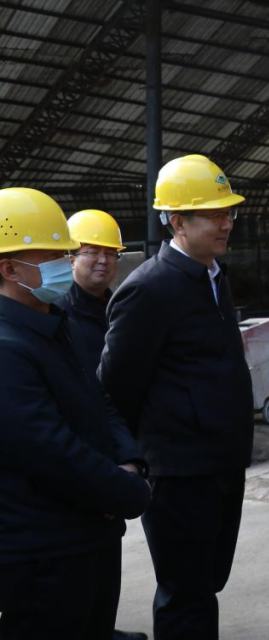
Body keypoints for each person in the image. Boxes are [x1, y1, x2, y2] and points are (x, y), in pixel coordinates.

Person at [99, 155, 253, 640]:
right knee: (184, 593)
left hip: (220, 463)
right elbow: (115, 388)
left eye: (229, 212)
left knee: (206, 584)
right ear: (177, 221)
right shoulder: (149, 289)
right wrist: (128, 463)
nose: (226, 223)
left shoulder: (213, 277)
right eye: (213, 214)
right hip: (179, 472)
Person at [0, 188, 151, 640]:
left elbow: (98, 400)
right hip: (44, 551)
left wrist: (130, 460)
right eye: (51, 256)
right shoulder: (7, 347)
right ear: (8, 269)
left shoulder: (53, 323)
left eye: (64, 254)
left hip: (91, 534)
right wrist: (125, 491)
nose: (63, 265)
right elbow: (50, 451)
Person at [56, 209, 148, 640]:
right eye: (91, 251)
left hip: (115, 440)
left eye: (110, 253)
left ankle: (102, 627)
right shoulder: (58, 315)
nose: (102, 261)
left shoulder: (116, 306)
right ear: (70, 257)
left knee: (108, 543)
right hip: (84, 448)